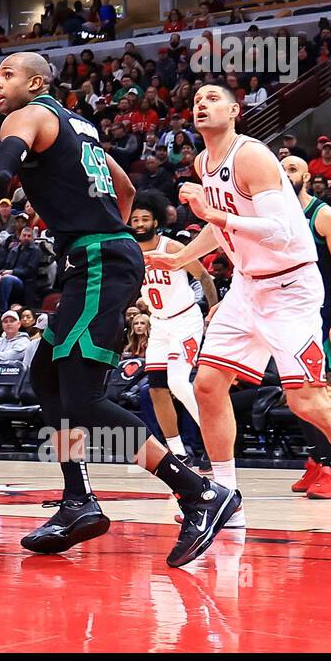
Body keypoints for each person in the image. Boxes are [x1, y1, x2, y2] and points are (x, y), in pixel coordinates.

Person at [0, 53, 238, 568]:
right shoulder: (81, 126)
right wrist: (109, 227)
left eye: (7, 75)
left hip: (96, 261)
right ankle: (77, 501)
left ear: (36, 82)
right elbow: (126, 187)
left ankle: (198, 492)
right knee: (47, 377)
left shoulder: (27, 117)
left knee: (84, 397)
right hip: (98, 256)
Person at [148, 84, 331, 538]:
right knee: (207, 386)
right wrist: (180, 257)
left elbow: (280, 230)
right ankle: (225, 497)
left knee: (306, 400)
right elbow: (222, 228)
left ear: (234, 111)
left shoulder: (251, 156)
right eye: (195, 101)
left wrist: (214, 214)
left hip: (290, 285)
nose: (201, 105)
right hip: (248, 287)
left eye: (213, 98)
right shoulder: (202, 163)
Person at [282, 156, 331, 500]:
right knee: (293, 394)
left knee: (316, 393)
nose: (286, 175)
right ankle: (316, 460)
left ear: (308, 176)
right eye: (281, 169)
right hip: (286, 315)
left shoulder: (322, 216)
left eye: (293, 169)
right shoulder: (276, 216)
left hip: (320, 318)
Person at [129, 191, 215, 465]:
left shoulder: (172, 248)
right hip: (159, 324)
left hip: (186, 321)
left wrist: (214, 309)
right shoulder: (131, 253)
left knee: (177, 380)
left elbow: (203, 276)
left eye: (145, 219)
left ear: (156, 222)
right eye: (135, 219)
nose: (139, 223)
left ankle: (215, 441)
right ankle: (178, 451)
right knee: (155, 388)